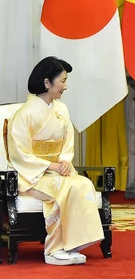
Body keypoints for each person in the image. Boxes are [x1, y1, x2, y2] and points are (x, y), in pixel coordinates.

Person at [7, 57, 104, 265]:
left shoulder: (61, 110)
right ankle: (53, 250)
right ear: (46, 83)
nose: (65, 87)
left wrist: (65, 161)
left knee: (82, 184)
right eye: (62, 81)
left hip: (55, 170)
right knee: (63, 188)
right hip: (32, 175)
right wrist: (50, 166)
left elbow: (67, 143)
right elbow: (19, 153)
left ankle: (74, 244)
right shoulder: (24, 114)